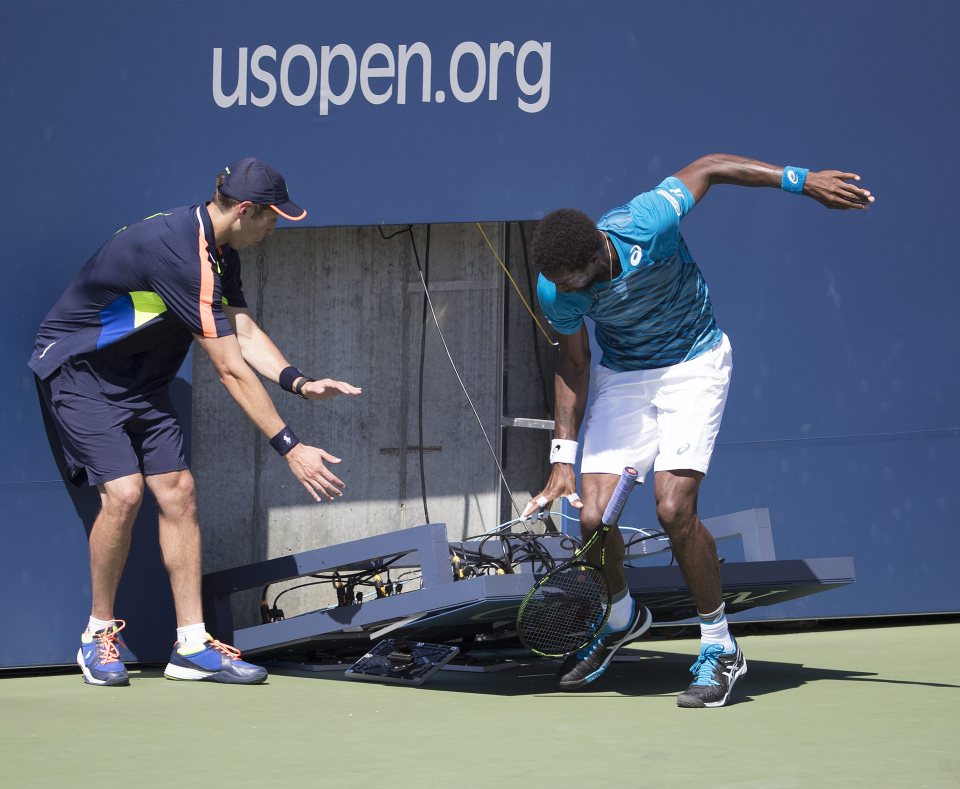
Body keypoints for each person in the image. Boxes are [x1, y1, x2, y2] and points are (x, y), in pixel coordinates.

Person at [522, 154, 873, 706]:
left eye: (572, 281)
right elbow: (573, 361)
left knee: (673, 508)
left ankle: (719, 646)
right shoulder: (555, 291)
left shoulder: (647, 221)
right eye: (557, 285)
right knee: (592, 516)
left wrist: (801, 183)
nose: (565, 293)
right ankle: (620, 619)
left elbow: (709, 168)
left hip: (693, 363)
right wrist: (562, 456)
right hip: (625, 376)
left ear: (597, 254)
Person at [29, 157, 362, 687]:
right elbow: (229, 368)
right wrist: (291, 446)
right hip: (81, 373)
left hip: (139, 382)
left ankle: (190, 645)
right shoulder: (181, 254)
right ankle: (96, 636)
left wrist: (298, 381)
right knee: (124, 493)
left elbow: (244, 332)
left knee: (179, 490)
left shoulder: (219, 250)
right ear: (246, 210)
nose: (276, 227)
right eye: (273, 217)